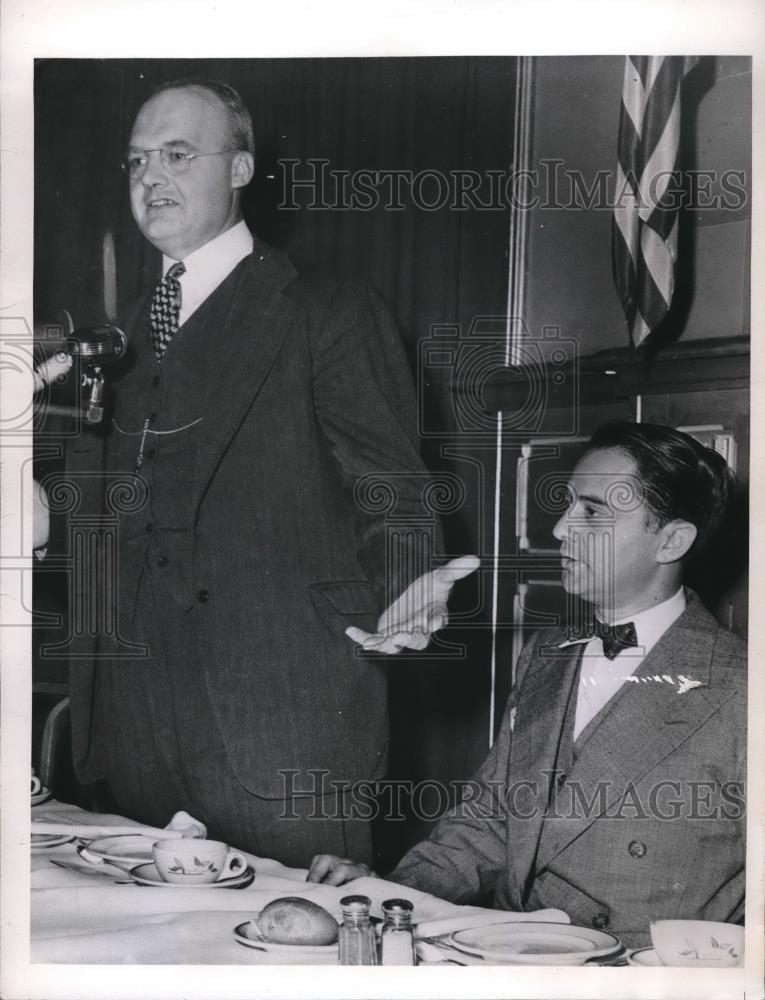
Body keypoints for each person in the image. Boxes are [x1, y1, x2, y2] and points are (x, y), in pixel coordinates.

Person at [56, 77, 477, 865]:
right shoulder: (113, 342)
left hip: (280, 722)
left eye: (178, 154)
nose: (151, 177)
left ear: (241, 168)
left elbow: (392, 485)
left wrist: (408, 581)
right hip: (131, 728)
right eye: (137, 160)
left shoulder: (325, 310)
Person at [308, 422, 746, 949]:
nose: (561, 529)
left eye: (592, 512)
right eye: (566, 505)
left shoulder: (741, 687)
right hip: (515, 958)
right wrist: (391, 893)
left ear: (671, 540)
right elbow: (490, 822)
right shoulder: (546, 653)